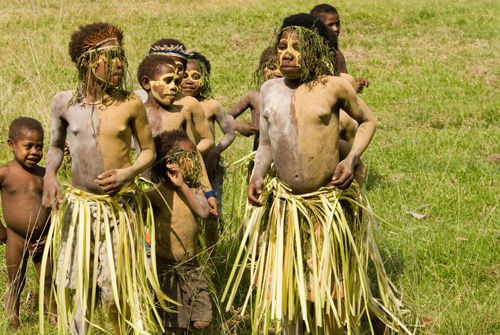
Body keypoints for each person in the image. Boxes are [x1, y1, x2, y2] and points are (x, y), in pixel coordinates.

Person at [223, 14, 409, 335]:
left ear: (315, 50)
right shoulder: (269, 89)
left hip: (326, 207)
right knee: (290, 291)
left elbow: (367, 121)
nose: (287, 53)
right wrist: (257, 177)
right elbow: (267, 142)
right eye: (282, 47)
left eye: (297, 47)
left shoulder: (332, 87)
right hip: (287, 209)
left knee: (330, 291)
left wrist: (350, 159)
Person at [41, 22, 168, 334]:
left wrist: (127, 172)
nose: (119, 64)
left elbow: (148, 152)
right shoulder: (64, 103)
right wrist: (49, 178)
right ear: (87, 61)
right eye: (110, 58)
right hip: (80, 211)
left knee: (116, 290)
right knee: (78, 285)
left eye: (121, 57)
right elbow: (56, 148)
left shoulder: (130, 103)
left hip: (118, 211)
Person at [147, 130, 212, 335]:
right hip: (164, 268)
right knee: (173, 327)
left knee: (202, 320)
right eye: (190, 157)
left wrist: (182, 185)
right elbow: (137, 215)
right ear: (170, 163)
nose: (195, 162)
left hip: (191, 267)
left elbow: (203, 212)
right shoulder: (156, 195)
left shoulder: (194, 189)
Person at [0, 117, 56, 329]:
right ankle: (13, 317)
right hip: (16, 237)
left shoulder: (44, 174)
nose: (34, 151)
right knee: (16, 279)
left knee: (48, 278)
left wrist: (51, 234)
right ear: (11, 145)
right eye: (28, 146)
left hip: (43, 238)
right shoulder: (5, 173)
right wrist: (1, 231)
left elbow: (54, 206)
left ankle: (53, 314)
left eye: (39, 146)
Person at [180, 51, 236, 249]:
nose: (189, 81)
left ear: (205, 79)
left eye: (196, 76)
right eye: (184, 75)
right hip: (182, 170)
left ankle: (212, 255)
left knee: (212, 215)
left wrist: (214, 152)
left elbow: (230, 132)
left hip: (209, 169)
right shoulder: (174, 106)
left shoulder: (211, 106)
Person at [311, 3, 369, 93]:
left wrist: (355, 83)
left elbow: (344, 81)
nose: (336, 29)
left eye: (337, 24)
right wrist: (350, 88)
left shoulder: (337, 54)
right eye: (330, 25)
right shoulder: (309, 54)